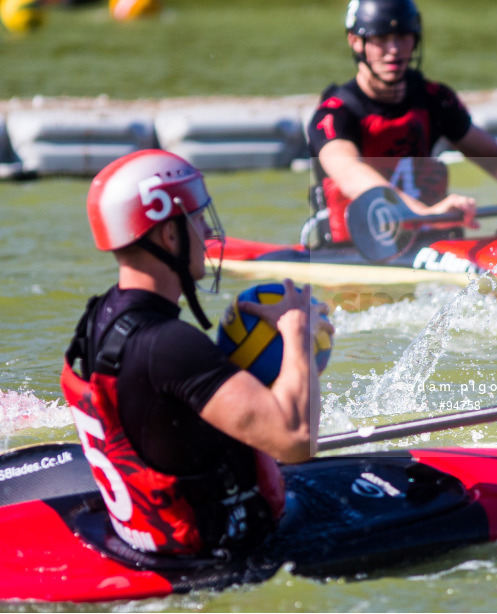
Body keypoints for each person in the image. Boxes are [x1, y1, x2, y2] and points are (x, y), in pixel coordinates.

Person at [61, 149, 333, 556]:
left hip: (139, 537)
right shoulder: (171, 345)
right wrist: (296, 330)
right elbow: (295, 442)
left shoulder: (99, 317)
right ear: (169, 235)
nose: (206, 231)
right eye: (196, 219)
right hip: (219, 555)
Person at [305, 0, 497, 247]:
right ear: (356, 42)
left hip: (431, 241)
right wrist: (422, 212)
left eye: (403, 36)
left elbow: (495, 157)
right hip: (356, 250)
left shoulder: (434, 99)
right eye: (381, 39)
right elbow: (350, 173)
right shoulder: (334, 114)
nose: (394, 49)